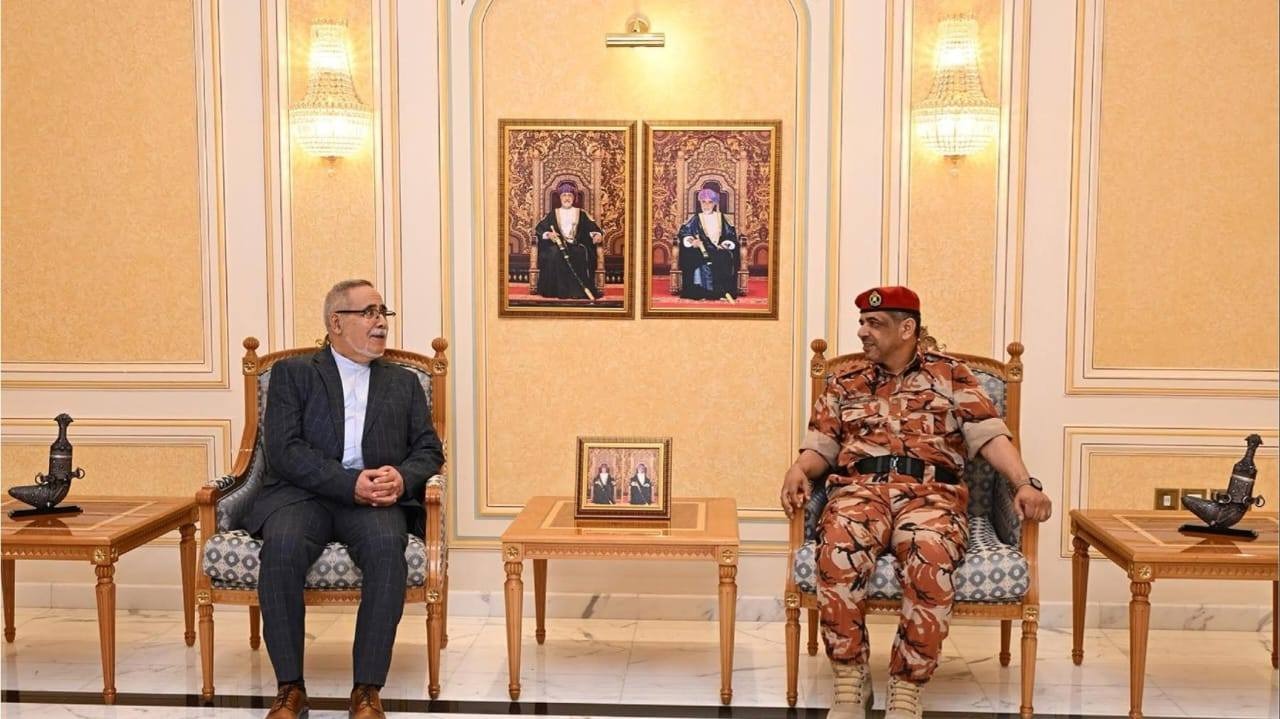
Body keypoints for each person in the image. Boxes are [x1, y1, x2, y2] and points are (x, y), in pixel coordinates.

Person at [778, 286, 1051, 719]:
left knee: (932, 553)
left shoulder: (952, 375)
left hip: (932, 496)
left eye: (874, 324)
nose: (862, 332)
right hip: (859, 491)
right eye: (862, 323)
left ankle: (906, 687)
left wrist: (1025, 483)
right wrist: (799, 468)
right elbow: (821, 447)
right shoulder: (845, 382)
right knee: (837, 546)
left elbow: (991, 437)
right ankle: (850, 680)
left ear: (907, 328)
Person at [243, 279, 445, 719]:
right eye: (369, 312)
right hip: (303, 495)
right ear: (336, 323)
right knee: (282, 548)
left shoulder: (404, 383)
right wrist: (348, 482)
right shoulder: (294, 374)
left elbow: (429, 450)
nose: (381, 322)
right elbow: (284, 450)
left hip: (375, 501)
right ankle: (290, 689)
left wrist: (401, 477)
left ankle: (367, 691)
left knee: (387, 551)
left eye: (383, 312)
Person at [534, 180, 603, 300]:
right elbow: (539, 229)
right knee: (554, 253)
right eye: (564, 195)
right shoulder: (552, 214)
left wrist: (596, 235)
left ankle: (577, 292)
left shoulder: (581, 213)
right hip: (558, 246)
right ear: (560, 198)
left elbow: (593, 228)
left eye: (570, 195)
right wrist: (549, 234)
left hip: (576, 245)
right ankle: (558, 291)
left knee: (579, 253)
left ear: (574, 198)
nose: (567, 198)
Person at [676, 188, 740, 301]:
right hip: (701, 250)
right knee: (695, 258)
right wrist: (692, 241)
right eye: (703, 202)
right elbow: (685, 233)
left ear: (715, 203)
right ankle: (701, 292)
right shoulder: (695, 218)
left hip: (718, 249)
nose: (706, 205)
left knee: (725, 257)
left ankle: (721, 292)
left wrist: (725, 244)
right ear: (700, 203)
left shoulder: (721, 218)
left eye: (710, 202)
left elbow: (731, 235)